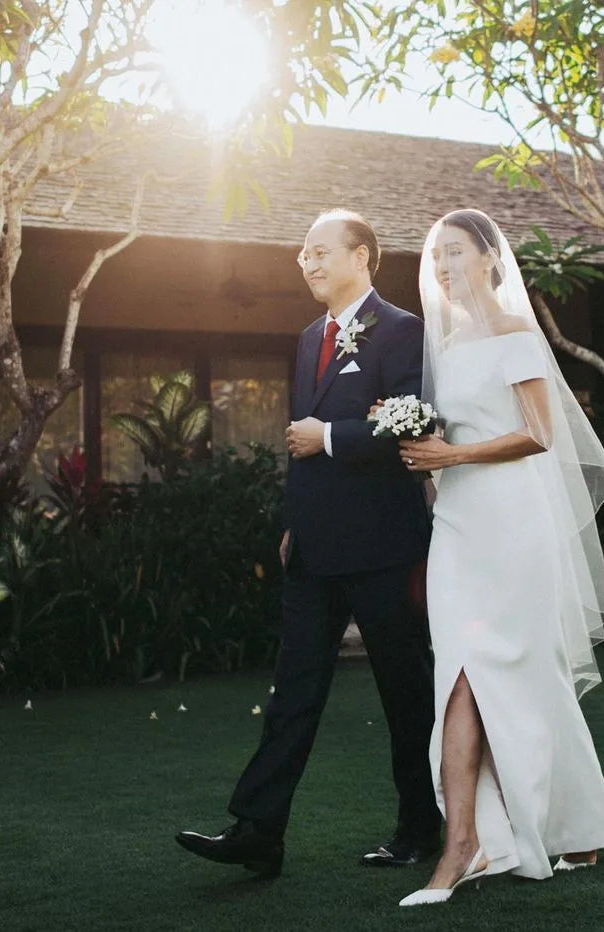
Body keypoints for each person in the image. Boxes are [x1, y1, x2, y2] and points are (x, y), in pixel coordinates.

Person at [175, 209, 440, 878]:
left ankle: (421, 831)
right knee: (291, 693)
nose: (308, 263)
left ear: (363, 257)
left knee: (406, 695)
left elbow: (410, 424)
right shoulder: (304, 339)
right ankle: (259, 832)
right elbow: (298, 449)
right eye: (302, 254)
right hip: (315, 551)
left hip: (385, 549)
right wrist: (295, 521)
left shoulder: (403, 331)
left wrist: (327, 436)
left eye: (321, 251)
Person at [396, 209, 604, 907]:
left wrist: (449, 453)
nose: (444, 268)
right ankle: (469, 839)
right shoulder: (448, 345)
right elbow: (449, 436)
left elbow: (539, 433)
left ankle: (548, 830)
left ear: (491, 258)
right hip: (458, 523)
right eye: (436, 259)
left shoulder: (517, 334)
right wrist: (423, 457)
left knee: (527, 677)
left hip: (514, 523)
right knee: (459, 677)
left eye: (455, 253)